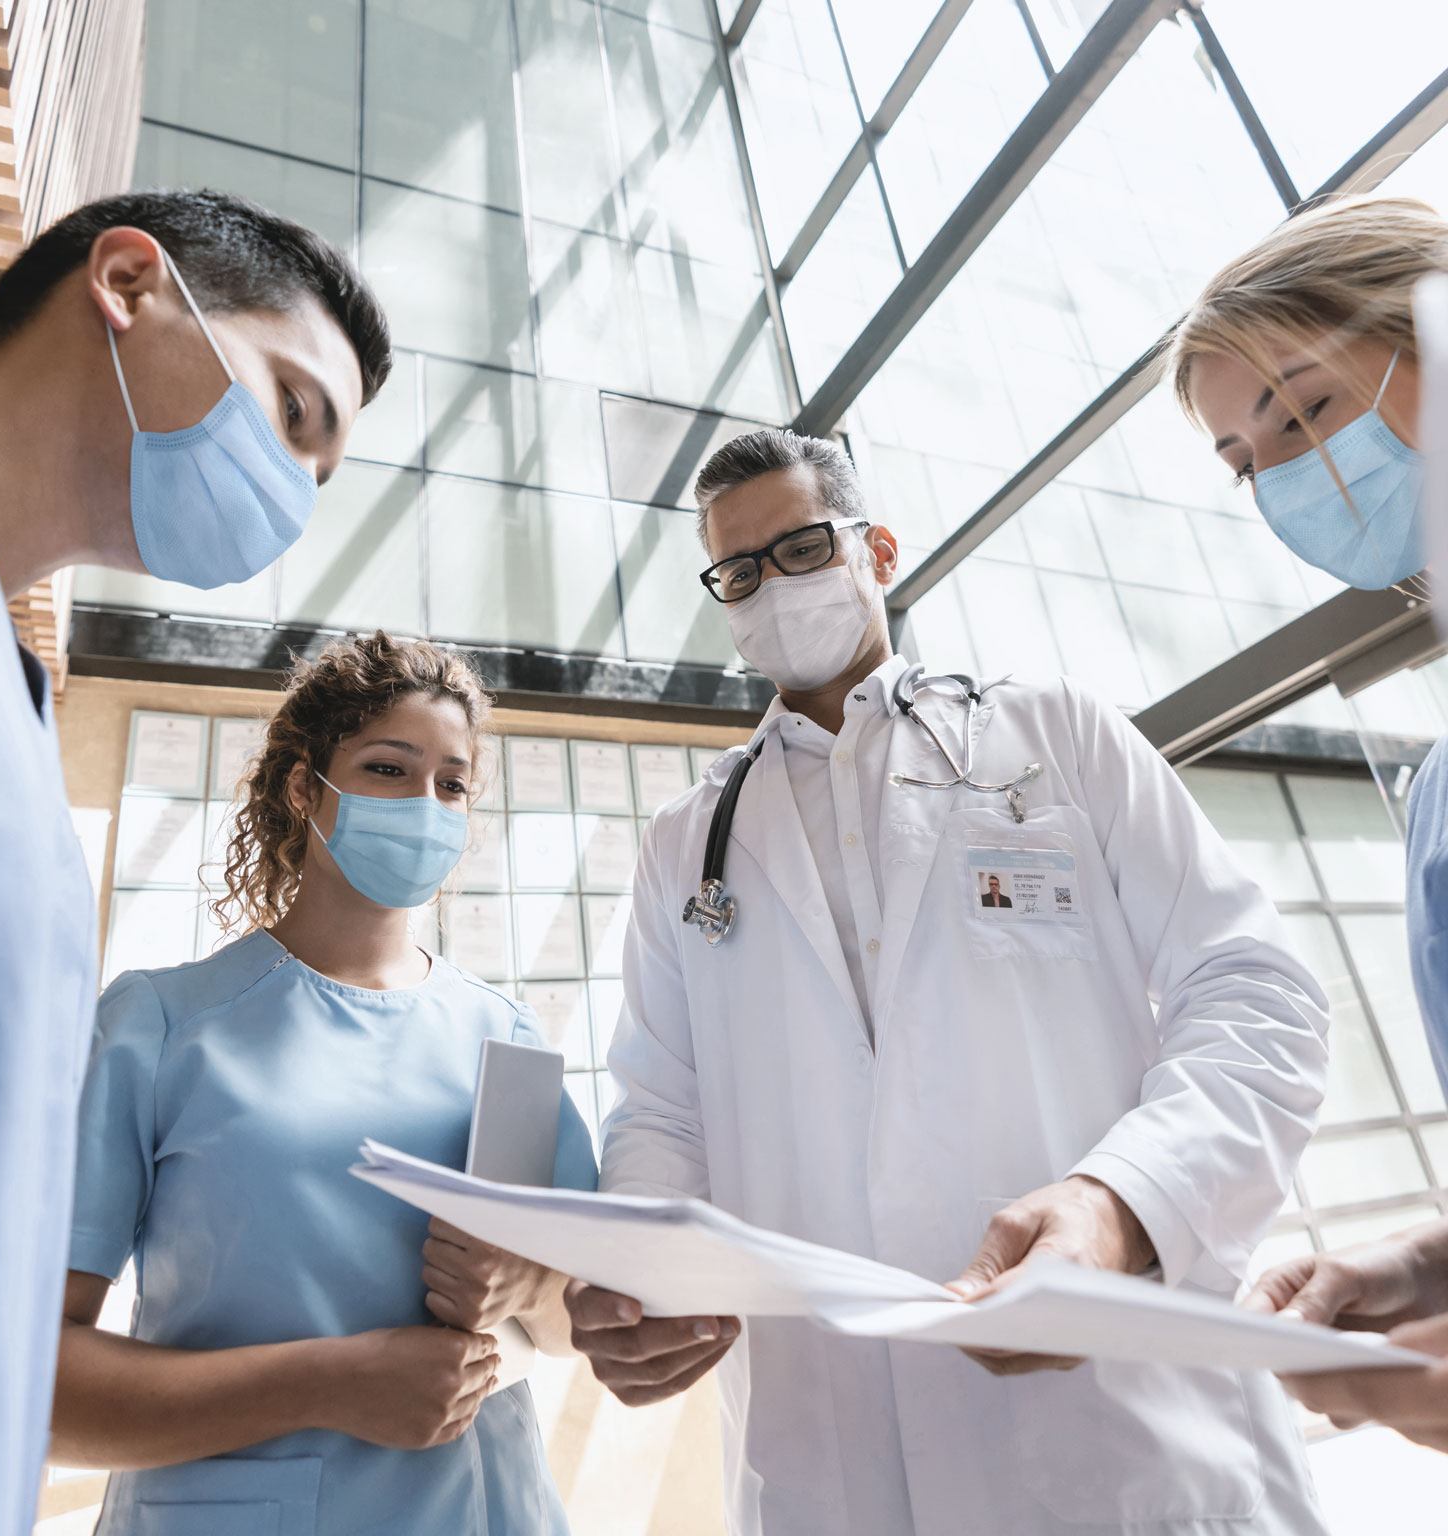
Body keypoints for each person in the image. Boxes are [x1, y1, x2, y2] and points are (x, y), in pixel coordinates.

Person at [564, 428, 1331, 1535]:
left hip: (1121, 1430)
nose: (771, 588)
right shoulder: (690, 842)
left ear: (876, 551)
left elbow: (1253, 992)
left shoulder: (1052, 732)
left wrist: (1125, 1203)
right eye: (738, 572)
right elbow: (661, 1107)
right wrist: (644, 1272)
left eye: (800, 549)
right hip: (831, 1449)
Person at [0, 187, 389, 1535]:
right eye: (292, 412)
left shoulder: (10, 708)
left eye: (317, 478)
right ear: (129, 283)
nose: (287, 497)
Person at [52, 632, 596, 1534]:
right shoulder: (159, 1027)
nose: (425, 805)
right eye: (388, 769)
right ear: (305, 788)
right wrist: (330, 1383)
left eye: (452, 785)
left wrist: (523, 1290)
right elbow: (37, 1384)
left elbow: (579, 1319)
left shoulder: (503, 1035)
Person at [1168, 193, 1448, 1451]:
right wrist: (1420, 1266)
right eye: (1248, 463)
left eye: (1306, 412)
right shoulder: (1437, 791)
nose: (1288, 478)